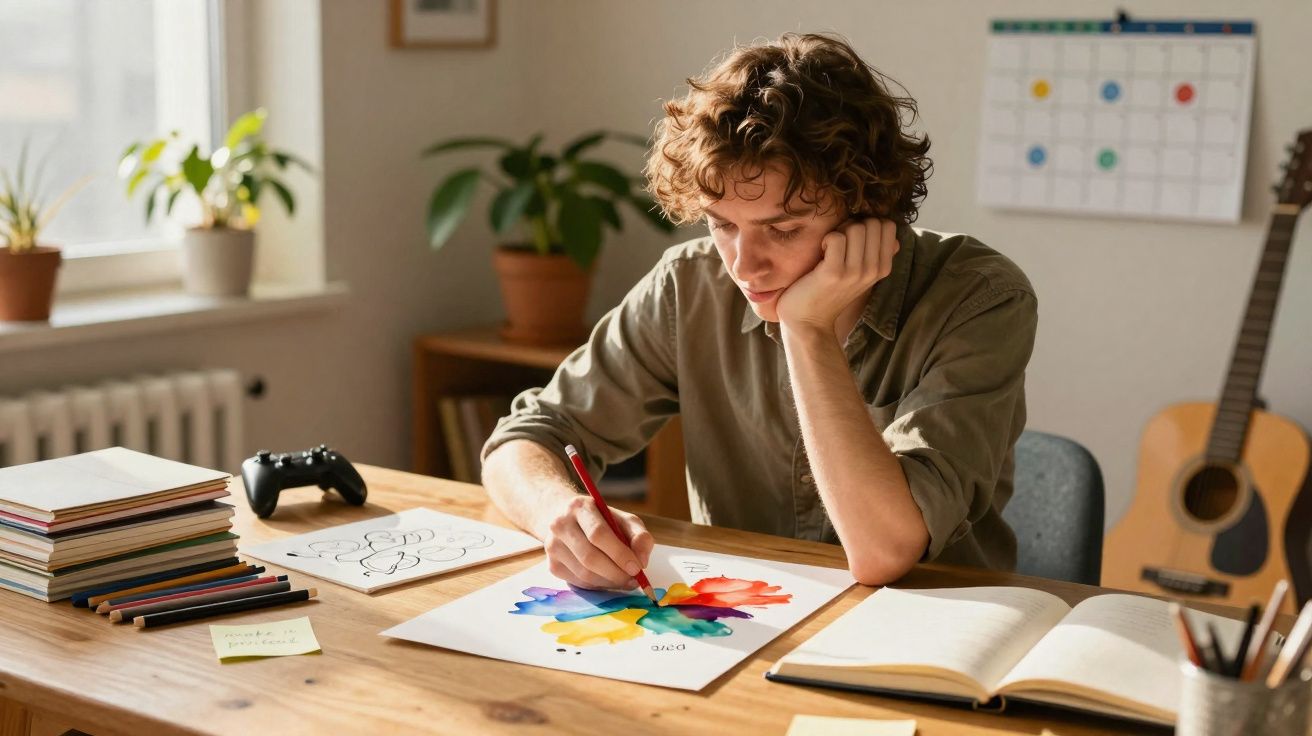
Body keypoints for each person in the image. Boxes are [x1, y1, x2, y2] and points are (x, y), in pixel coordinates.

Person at [480, 32, 1037, 588]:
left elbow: (883, 554)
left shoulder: (979, 298)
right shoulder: (688, 285)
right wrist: (558, 511)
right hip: (740, 624)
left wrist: (808, 327)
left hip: (933, 636)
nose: (745, 265)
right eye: (723, 224)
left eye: (784, 229)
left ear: (870, 212)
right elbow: (524, 439)